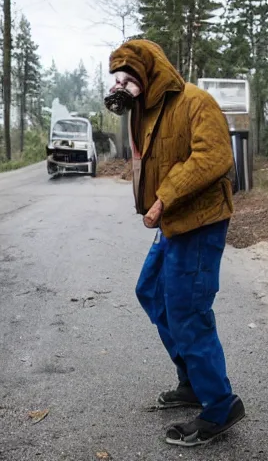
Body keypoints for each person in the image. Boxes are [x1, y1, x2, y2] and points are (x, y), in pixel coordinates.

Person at [104, 39, 245, 447]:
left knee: (187, 308)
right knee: (151, 292)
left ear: (149, 73)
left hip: (199, 222)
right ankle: (192, 382)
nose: (123, 85)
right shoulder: (145, 110)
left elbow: (214, 157)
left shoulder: (195, 102)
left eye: (129, 77)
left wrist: (164, 197)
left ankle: (220, 405)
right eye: (119, 78)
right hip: (172, 225)